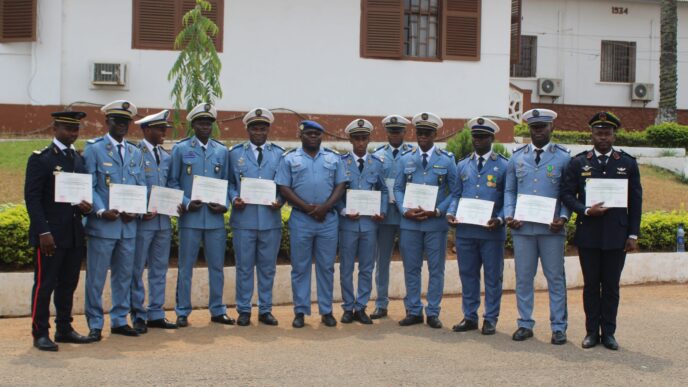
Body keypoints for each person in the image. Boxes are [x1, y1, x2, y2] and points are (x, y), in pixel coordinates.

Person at [561, 112, 642, 350]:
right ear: (592, 134)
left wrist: (633, 234)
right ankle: (590, 332)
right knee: (590, 286)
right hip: (590, 234)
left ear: (614, 134)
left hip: (617, 236)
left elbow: (635, 201)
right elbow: (566, 194)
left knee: (611, 287)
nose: (603, 138)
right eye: (599, 133)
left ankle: (608, 333)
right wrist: (585, 210)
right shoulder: (578, 162)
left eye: (608, 133)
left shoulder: (627, 163)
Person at [25, 111, 94, 351]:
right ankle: (39, 333)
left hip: (74, 233)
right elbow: (32, 199)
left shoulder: (77, 159)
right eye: (67, 128)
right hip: (51, 236)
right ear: (55, 128)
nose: (72, 134)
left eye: (75, 129)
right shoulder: (41, 159)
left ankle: (64, 328)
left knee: (68, 284)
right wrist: (43, 233)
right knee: (44, 285)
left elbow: (82, 196)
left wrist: (87, 207)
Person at [504, 108, 571, 345]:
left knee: (555, 278)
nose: (538, 131)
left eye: (542, 127)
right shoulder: (517, 156)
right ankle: (524, 323)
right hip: (523, 229)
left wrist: (563, 217)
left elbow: (568, 193)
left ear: (551, 127)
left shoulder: (564, 157)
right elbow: (510, 190)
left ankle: (559, 327)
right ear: (529, 129)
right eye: (534, 127)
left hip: (551, 230)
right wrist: (509, 215)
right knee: (523, 278)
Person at [275, 120, 347, 328]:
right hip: (301, 219)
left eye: (317, 133)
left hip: (327, 219)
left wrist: (325, 207)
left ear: (321, 136)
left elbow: (341, 185)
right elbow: (284, 188)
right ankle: (300, 311)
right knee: (300, 267)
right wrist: (309, 208)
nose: (313, 137)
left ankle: (326, 311)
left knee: (326, 267)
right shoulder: (290, 159)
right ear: (301, 136)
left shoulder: (333, 158)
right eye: (309, 133)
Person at [83, 100, 146, 340]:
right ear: (106, 121)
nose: (121, 125)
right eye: (117, 121)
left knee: (124, 276)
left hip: (128, 226)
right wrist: (100, 211)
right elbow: (91, 186)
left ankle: (119, 319)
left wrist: (137, 210)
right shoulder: (94, 149)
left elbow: (140, 186)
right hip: (103, 224)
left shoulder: (133, 151)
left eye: (125, 121)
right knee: (96, 277)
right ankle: (95, 323)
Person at [168, 103, 234, 328]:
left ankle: (217, 310)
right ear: (193, 125)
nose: (205, 127)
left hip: (214, 219)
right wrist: (186, 203)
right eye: (201, 123)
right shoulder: (180, 149)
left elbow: (226, 183)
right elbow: (173, 181)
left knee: (217, 267)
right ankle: (182, 311)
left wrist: (224, 204)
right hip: (191, 219)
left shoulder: (221, 151)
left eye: (208, 123)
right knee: (186, 267)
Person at [394, 112, 456, 329]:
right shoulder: (405, 159)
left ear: (435, 134)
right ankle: (413, 310)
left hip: (435, 224)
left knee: (436, 269)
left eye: (427, 133)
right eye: (420, 132)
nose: (423, 137)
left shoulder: (447, 160)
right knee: (411, 268)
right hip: (410, 223)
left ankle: (432, 312)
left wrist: (438, 211)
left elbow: (455, 191)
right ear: (415, 133)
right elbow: (398, 188)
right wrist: (404, 210)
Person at [447, 117, 508, 335]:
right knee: (468, 275)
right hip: (465, 231)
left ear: (492, 138)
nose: (478, 140)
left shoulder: (503, 165)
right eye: (475, 136)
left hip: (491, 231)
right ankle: (470, 316)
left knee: (493, 277)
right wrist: (451, 212)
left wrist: (500, 219)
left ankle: (490, 318)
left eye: (483, 137)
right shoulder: (462, 164)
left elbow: (507, 199)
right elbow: (456, 195)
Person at [228, 108, 284, 327]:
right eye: (255, 128)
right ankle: (243, 309)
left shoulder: (279, 154)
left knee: (267, 267)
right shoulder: (234, 153)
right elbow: (230, 184)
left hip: (270, 220)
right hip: (244, 219)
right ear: (248, 129)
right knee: (244, 266)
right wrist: (234, 198)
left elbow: (283, 185)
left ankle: (265, 309)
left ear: (268, 129)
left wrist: (280, 200)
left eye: (263, 128)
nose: (259, 132)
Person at [129, 110, 180, 333]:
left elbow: (171, 185)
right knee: (137, 268)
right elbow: (130, 187)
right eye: (160, 129)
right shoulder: (134, 153)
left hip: (163, 221)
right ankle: (138, 314)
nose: (163, 134)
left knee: (159, 268)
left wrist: (178, 200)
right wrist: (140, 209)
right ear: (147, 130)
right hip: (143, 221)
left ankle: (156, 312)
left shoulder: (166, 156)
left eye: (165, 130)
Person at [336, 119, 388, 325]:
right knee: (346, 267)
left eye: (363, 138)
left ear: (369, 139)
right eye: (356, 138)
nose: (360, 142)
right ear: (350, 139)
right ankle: (348, 306)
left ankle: (362, 306)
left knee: (367, 267)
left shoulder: (377, 163)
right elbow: (336, 191)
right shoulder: (341, 162)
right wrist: (342, 210)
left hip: (369, 224)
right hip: (348, 223)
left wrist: (382, 211)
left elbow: (383, 190)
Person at [371, 114, 412, 319]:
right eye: (391, 131)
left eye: (398, 131)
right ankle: (381, 303)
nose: (395, 134)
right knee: (382, 261)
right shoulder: (377, 155)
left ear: (405, 132)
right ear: (386, 132)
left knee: (410, 262)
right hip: (384, 216)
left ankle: (411, 305)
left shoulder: (412, 154)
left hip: (407, 216)